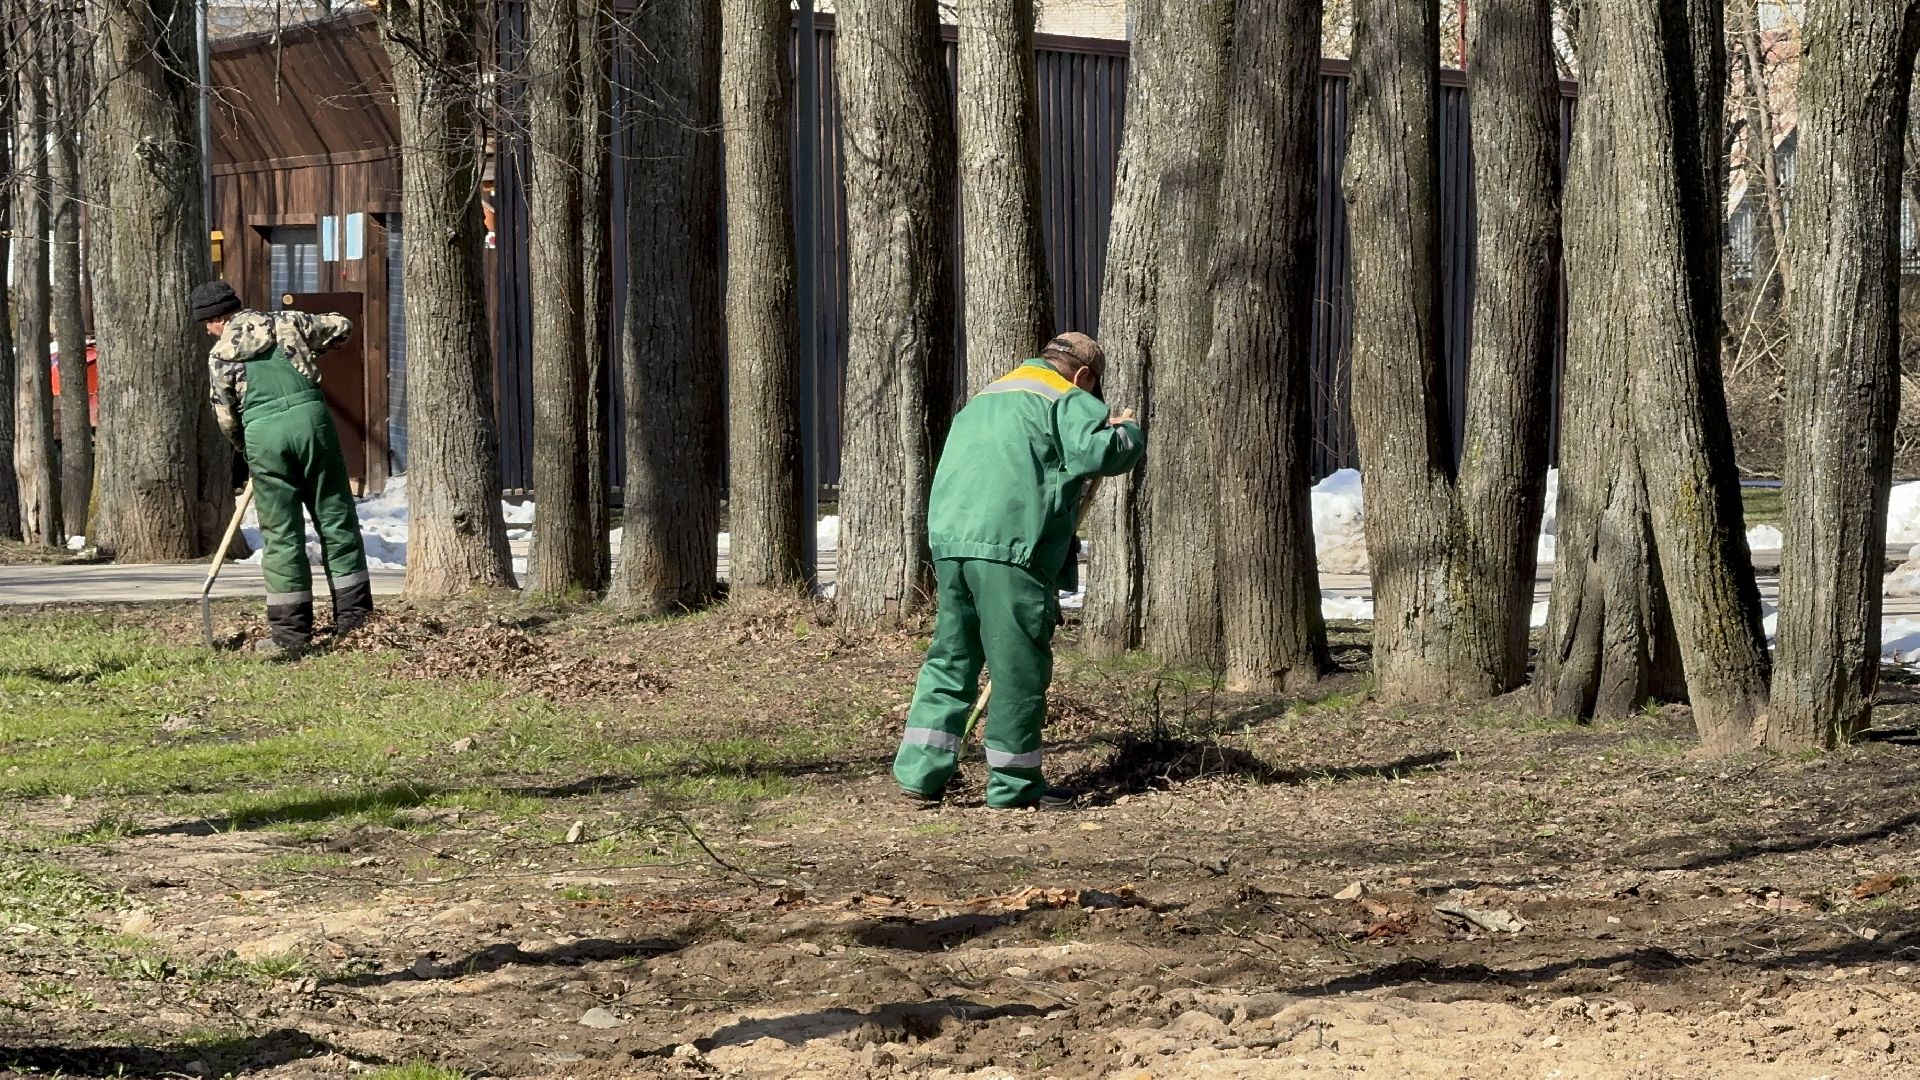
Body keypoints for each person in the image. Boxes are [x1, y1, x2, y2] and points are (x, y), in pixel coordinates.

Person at [892, 332, 1145, 810]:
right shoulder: (1065, 397)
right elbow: (1099, 453)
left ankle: (920, 775)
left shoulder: (986, 397)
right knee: (1016, 671)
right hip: (1011, 549)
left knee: (951, 657)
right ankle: (1014, 786)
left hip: (952, 543)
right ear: (1084, 375)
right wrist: (1126, 431)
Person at [193, 280, 373, 659]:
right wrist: (313, 348)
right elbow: (341, 325)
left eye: (207, 323)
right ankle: (356, 621)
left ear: (216, 319)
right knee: (335, 518)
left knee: (281, 534)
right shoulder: (288, 322)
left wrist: (248, 448)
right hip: (313, 425)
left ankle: (290, 635)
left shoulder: (220, 355)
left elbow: (225, 416)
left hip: (263, 437)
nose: (208, 330)